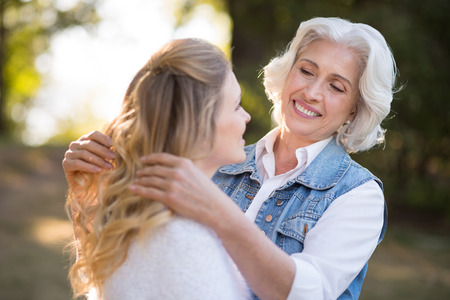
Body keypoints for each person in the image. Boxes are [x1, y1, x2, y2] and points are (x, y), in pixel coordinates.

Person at [63, 17, 399, 300]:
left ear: (355, 109)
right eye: (307, 71)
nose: (311, 92)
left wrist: (219, 213)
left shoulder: (357, 195)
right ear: (288, 72)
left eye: (336, 87)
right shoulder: (217, 159)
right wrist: (89, 192)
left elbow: (310, 293)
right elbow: (133, 270)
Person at [64, 38, 252, 299]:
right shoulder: (183, 238)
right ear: (198, 126)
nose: (246, 116)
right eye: (235, 106)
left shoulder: (133, 222)